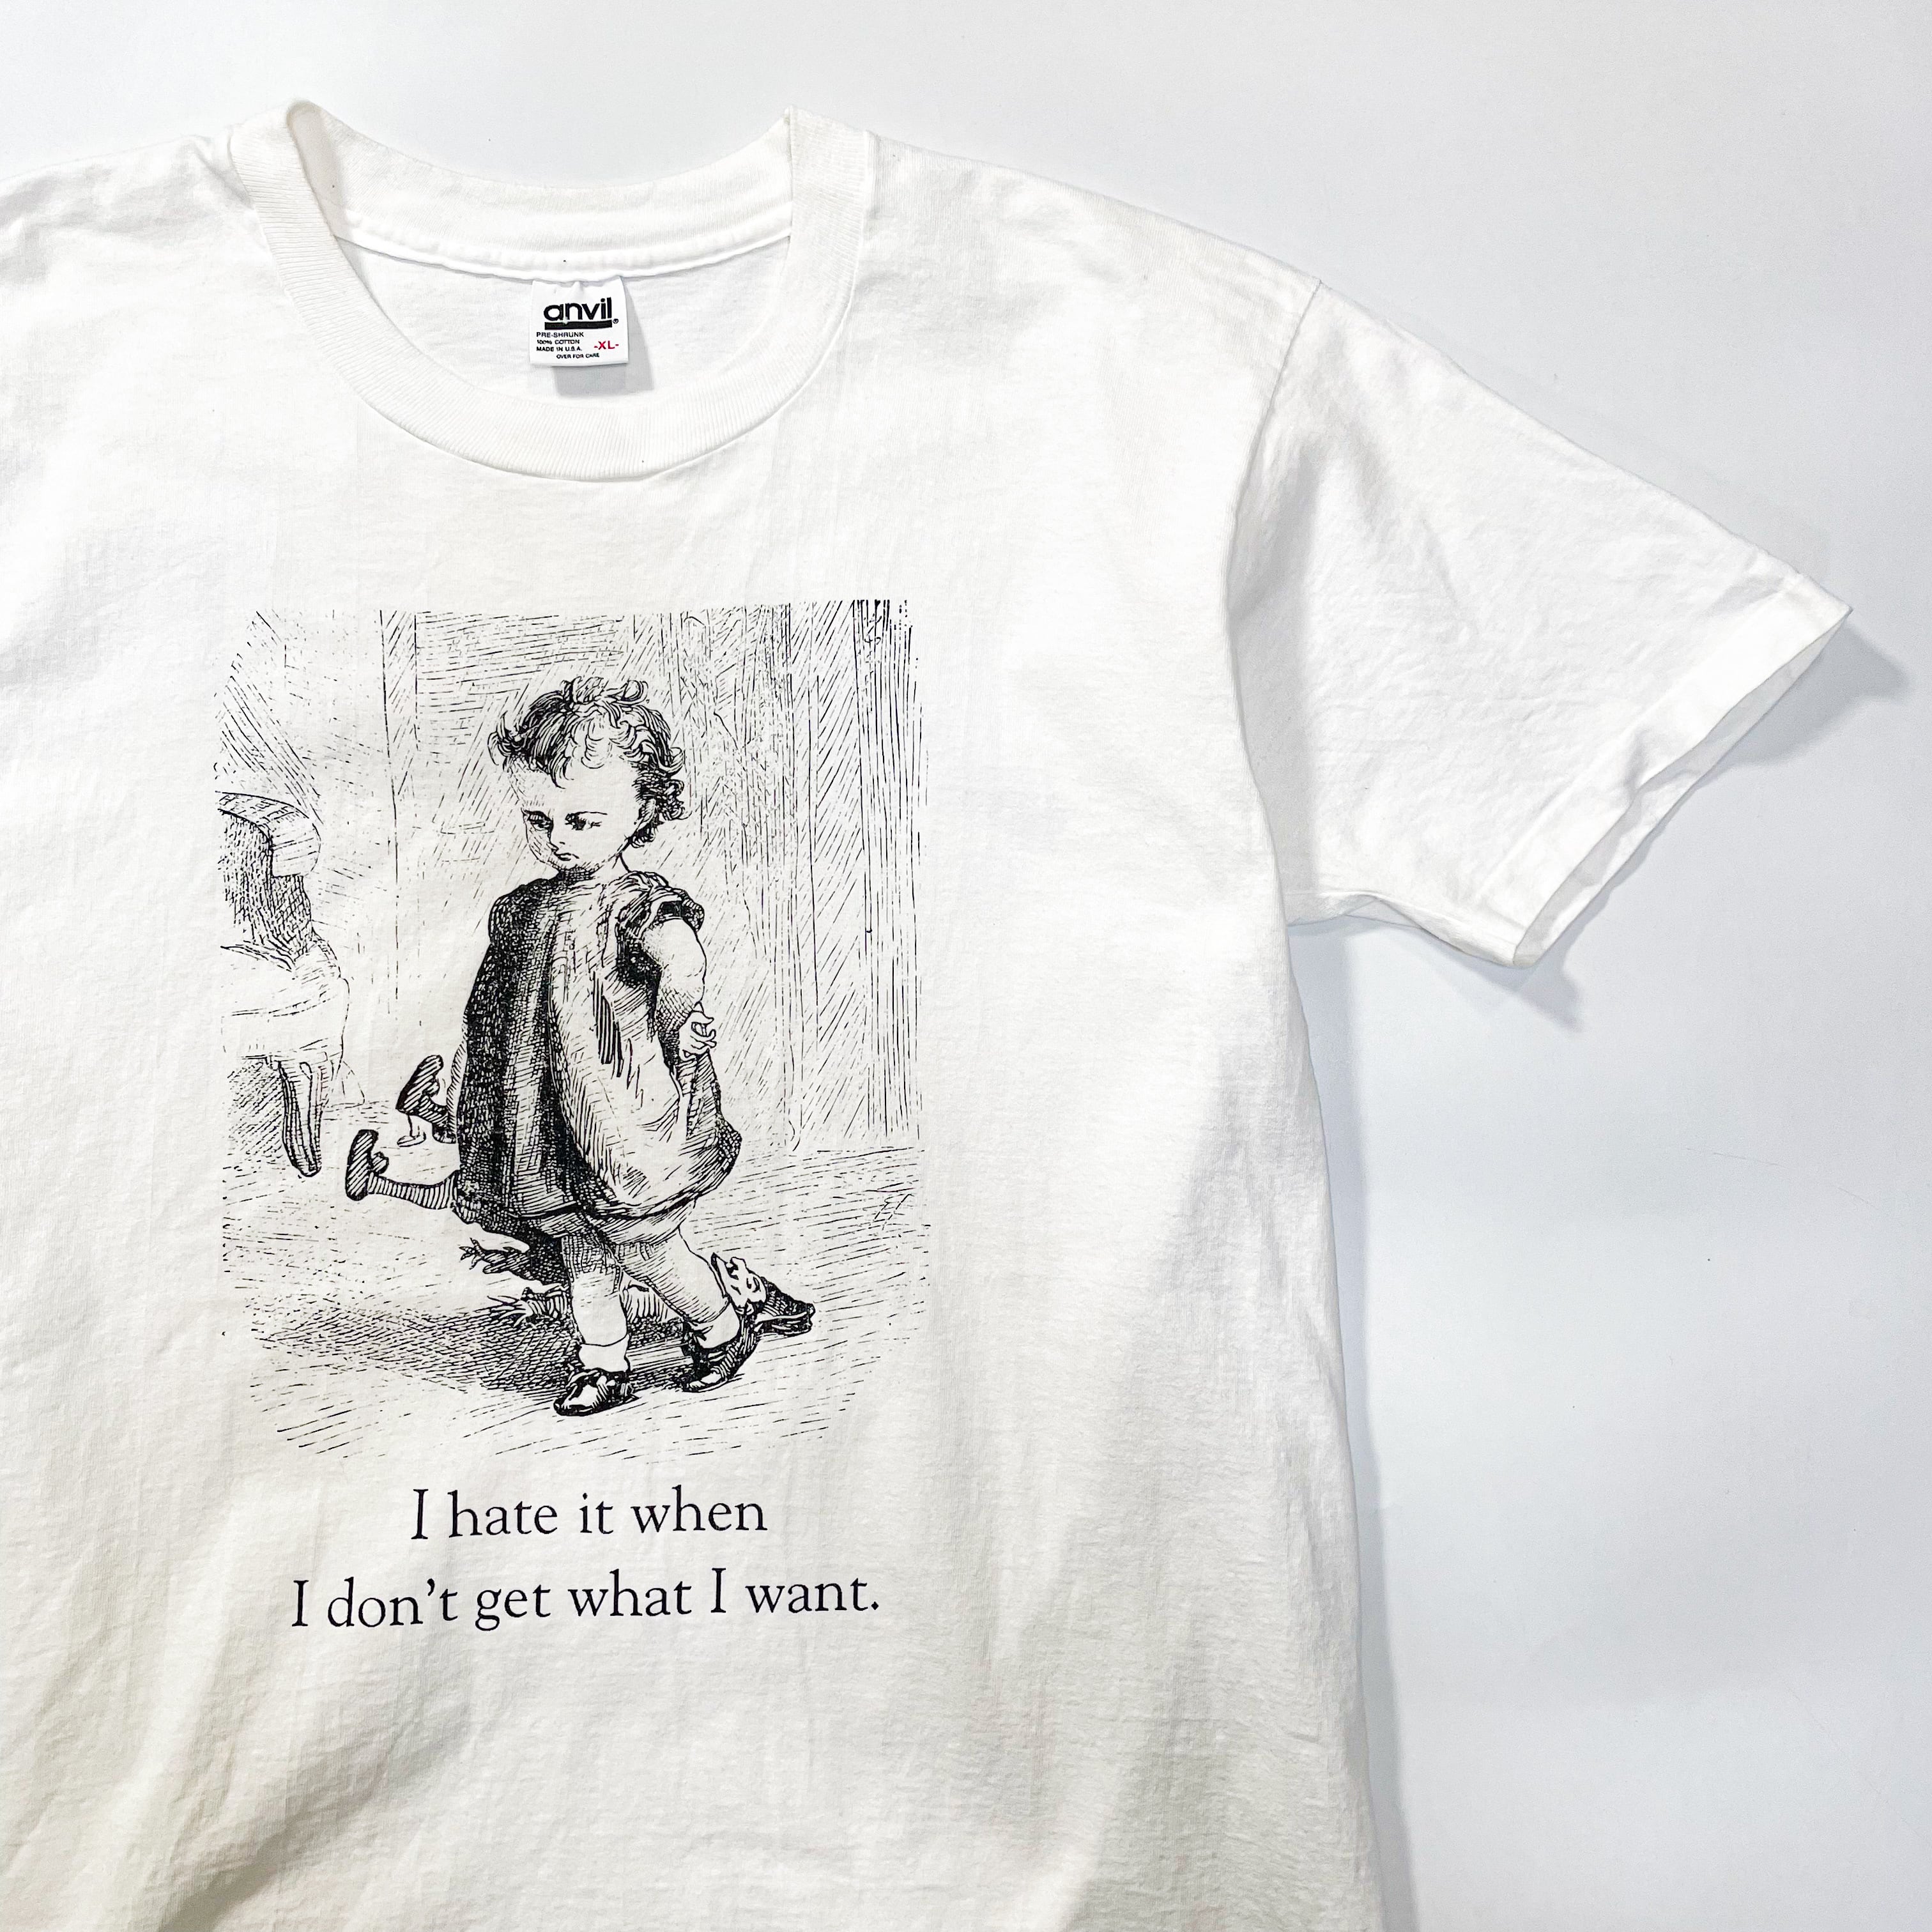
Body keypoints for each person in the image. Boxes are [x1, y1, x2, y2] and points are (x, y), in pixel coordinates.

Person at [342, 676, 812, 1414]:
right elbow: (491, 1009)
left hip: (623, 1113)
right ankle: (603, 1363)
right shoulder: (524, 908)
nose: (557, 838)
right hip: (549, 1117)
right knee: (580, 1248)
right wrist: (467, 1078)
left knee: (648, 1246)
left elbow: (684, 963)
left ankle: (722, 1328)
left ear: (641, 813)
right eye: (541, 820)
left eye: (582, 821)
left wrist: (681, 1022)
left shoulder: (636, 903)